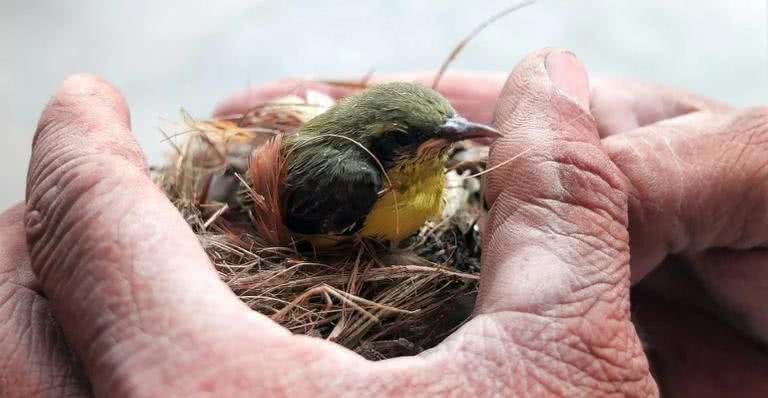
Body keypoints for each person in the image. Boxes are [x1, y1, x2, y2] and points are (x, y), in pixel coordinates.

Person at [1, 48, 766, 397]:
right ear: (380, 150)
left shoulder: (433, 184)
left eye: (451, 131)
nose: (455, 140)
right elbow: (284, 229)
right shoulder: (351, 181)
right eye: (420, 140)